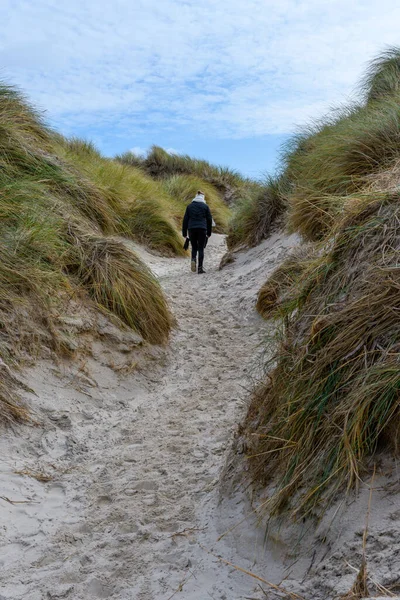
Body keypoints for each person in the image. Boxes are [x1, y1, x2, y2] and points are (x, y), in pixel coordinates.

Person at [182, 190, 213, 274]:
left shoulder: (189, 206)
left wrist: (184, 233)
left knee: (194, 247)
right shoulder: (205, 206)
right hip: (202, 228)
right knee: (201, 248)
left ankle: (193, 259)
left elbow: (185, 220)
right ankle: (200, 268)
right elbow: (209, 220)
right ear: (203, 197)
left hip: (191, 229)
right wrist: (209, 232)